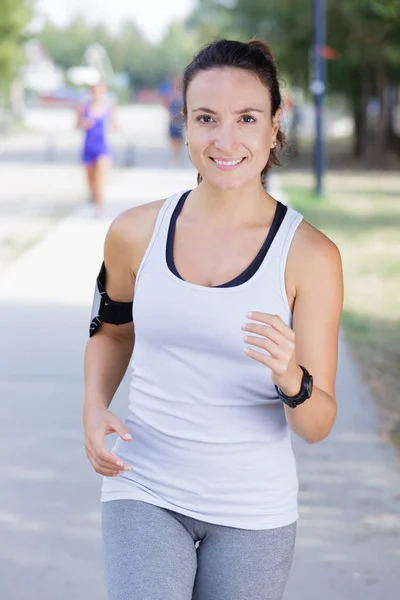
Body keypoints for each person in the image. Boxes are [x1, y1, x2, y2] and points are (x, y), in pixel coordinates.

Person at [83, 39, 344, 600]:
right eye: (206, 118)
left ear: (275, 125)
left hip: (252, 510)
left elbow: (318, 424)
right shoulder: (133, 233)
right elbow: (111, 332)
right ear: (184, 125)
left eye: (247, 118)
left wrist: (290, 377)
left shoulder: (310, 256)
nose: (225, 140)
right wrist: (93, 404)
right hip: (143, 486)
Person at [76, 80, 117, 217]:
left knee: (100, 181)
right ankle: (94, 198)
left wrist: (112, 128)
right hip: (88, 148)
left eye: (99, 91)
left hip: (102, 149)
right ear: (90, 92)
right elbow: (76, 126)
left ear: (104, 92)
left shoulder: (108, 109)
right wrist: (83, 124)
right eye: (94, 91)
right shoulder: (83, 108)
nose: (96, 94)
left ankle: (99, 208)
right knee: (91, 182)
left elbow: (115, 126)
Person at [160, 74, 185, 166]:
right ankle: (175, 156)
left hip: (180, 119)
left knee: (180, 138)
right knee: (173, 138)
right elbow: (165, 102)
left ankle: (177, 155)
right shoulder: (169, 93)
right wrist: (168, 114)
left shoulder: (182, 93)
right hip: (172, 118)